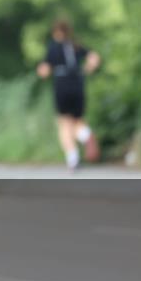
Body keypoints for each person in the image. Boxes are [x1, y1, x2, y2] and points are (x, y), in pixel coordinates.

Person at [37, 19, 101, 172]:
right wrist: (86, 70)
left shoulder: (53, 47)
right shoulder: (75, 45)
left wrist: (41, 70)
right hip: (78, 82)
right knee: (77, 119)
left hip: (62, 83)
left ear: (55, 32)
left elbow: (44, 71)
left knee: (64, 122)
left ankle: (73, 158)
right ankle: (86, 135)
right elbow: (95, 58)